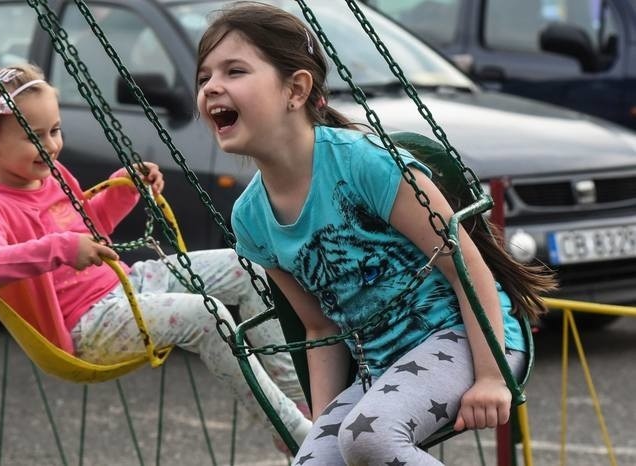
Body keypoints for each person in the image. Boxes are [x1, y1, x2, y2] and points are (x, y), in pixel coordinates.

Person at [195, 3, 556, 465]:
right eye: (204, 77)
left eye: (234, 70)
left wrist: (491, 377)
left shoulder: (363, 164)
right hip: (383, 366)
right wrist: (324, 427)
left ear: (296, 89)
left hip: (467, 335)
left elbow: (464, 264)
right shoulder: (251, 218)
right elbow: (320, 326)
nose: (212, 87)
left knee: (371, 438)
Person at [0, 57, 312, 450]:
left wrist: (126, 188)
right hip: (87, 322)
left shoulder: (51, 176)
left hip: (126, 284)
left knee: (246, 267)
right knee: (206, 314)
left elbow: (89, 227)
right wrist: (61, 249)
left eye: (55, 131)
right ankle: (293, 430)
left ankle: (297, 399)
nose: (51, 145)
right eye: (33, 136)